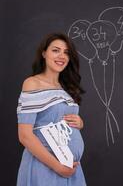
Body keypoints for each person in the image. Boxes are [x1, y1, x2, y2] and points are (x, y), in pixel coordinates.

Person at [17, 33, 87, 186]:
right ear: (44, 53)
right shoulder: (32, 83)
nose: (62, 55)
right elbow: (24, 136)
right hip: (45, 167)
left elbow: (57, 119)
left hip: (71, 169)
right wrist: (58, 167)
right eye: (56, 50)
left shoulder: (67, 88)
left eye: (66, 52)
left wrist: (79, 123)